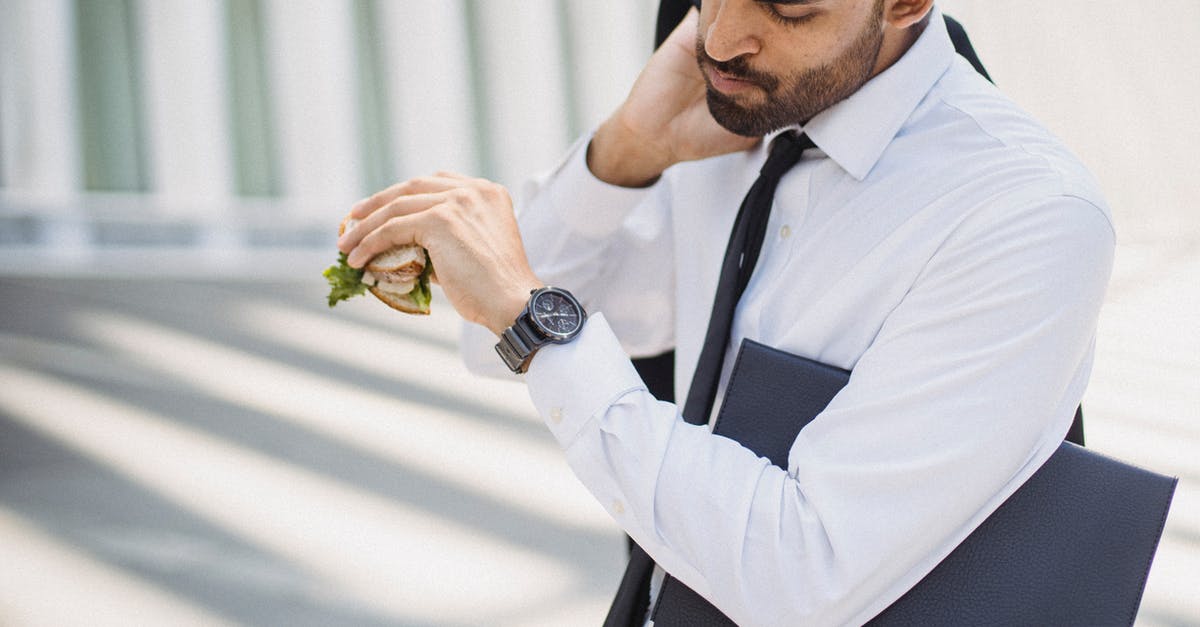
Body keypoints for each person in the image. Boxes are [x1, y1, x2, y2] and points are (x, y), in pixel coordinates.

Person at [336, 0, 1114, 624]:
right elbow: (491, 343)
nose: (721, 37)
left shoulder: (1024, 212)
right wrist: (627, 151)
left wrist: (533, 317)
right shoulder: (734, 118)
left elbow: (806, 581)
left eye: (787, 6)